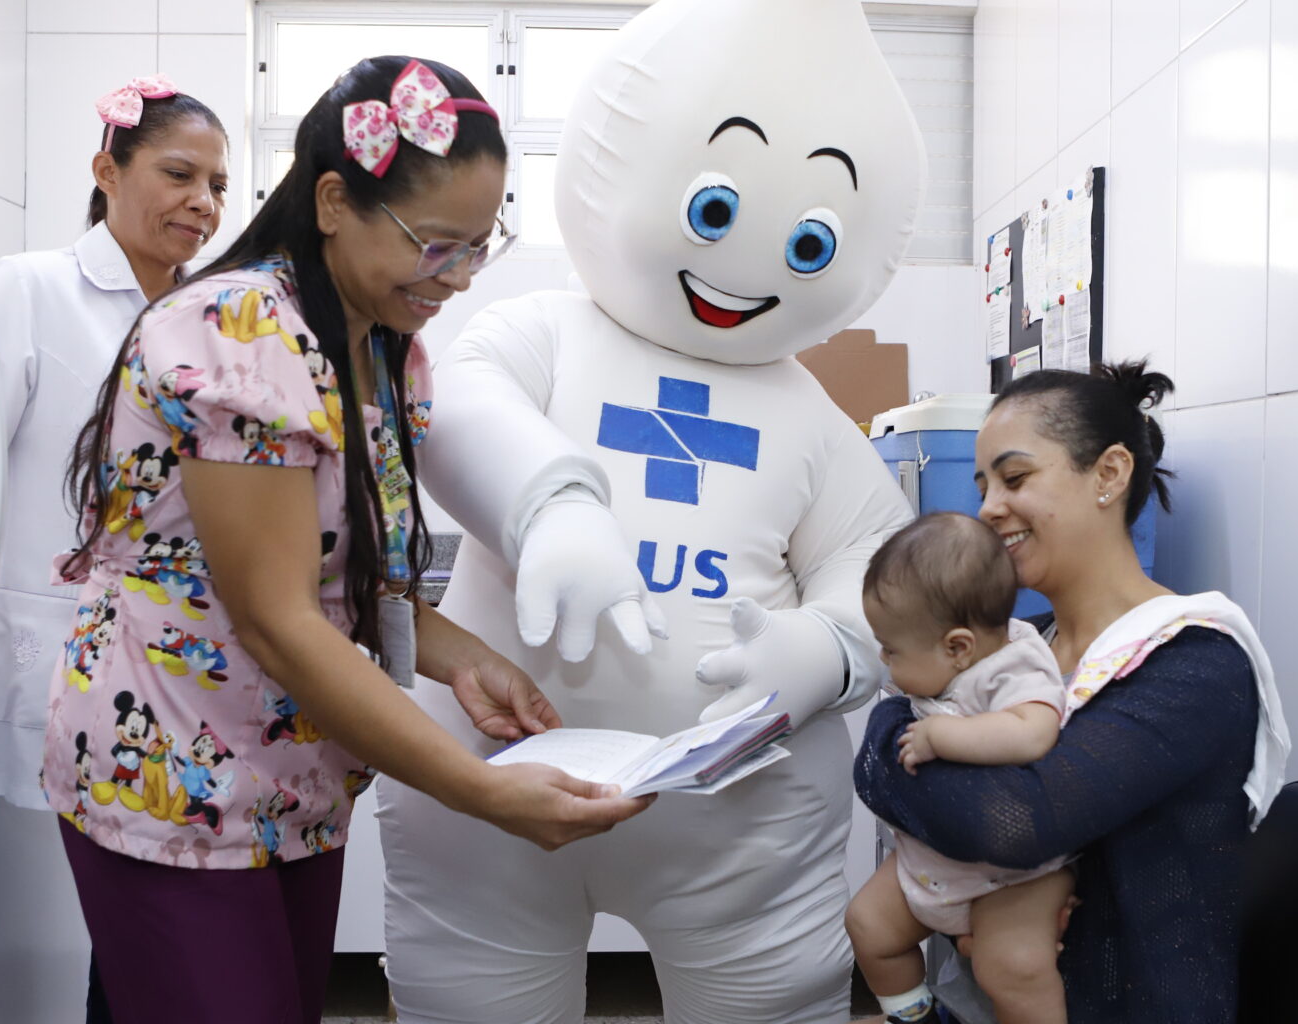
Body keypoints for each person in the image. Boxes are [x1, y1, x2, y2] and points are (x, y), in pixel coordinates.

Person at [44, 56, 651, 1024]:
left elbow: (343, 579)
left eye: (477, 247)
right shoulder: (240, 328)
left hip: (292, 778)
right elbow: (280, 620)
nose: (454, 278)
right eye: (433, 244)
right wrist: (482, 793)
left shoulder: (383, 346)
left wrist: (466, 661)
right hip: (169, 769)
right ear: (334, 200)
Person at [372, 1, 925, 1019]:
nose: (738, 267)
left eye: (809, 242)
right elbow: (453, 413)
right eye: (714, 211)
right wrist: (552, 506)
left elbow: (887, 570)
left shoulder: (807, 414)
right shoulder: (537, 331)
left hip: (739, 826)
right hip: (492, 798)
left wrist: (830, 652)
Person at [853, 362, 1291, 1024]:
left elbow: (1018, 824)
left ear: (1109, 476)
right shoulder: (1028, 641)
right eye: (983, 485)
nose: (988, 508)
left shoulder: (1194, 664)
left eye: (1016, 477)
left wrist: (903, 745)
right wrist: (895, 741)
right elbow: (887, 731)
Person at [0, 74, 228, 1024]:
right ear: (107, 170)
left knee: (145, 947)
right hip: (52, 664)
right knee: (48, 942)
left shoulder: (211, 320)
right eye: (180, 173)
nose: (204, 202)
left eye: (219, 185)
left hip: (180, 679)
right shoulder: (33, 289)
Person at [846, 512, 1074, 1024]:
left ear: (957, 648)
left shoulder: (1015, 664)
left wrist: (944, 736)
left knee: (1011, 968)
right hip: (929, 861)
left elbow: (1034, 730)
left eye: (891, 649)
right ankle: (916, 1018)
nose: (884, 659)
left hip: (1010, 881)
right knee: (867, 926)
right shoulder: (941, 669)